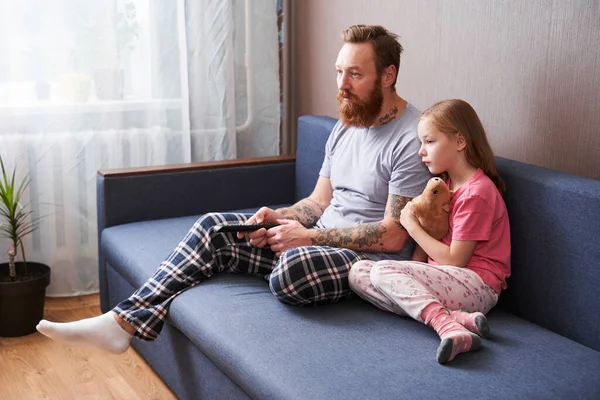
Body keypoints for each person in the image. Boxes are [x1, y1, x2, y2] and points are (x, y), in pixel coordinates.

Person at [36, 24, 430, 354]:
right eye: (338, 71)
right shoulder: (347, 123)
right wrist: (279, 217)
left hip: (364, 262)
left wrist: (306, 238)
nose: (342, 85)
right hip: (316, 241)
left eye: (355, 75)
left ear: (388, 75)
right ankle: (123, 322)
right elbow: (319, 201)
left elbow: (395, 235)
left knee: (290, 271)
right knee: (216, 227)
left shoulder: (411, 139)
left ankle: (270, 259)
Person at [349, 99, 510, 364]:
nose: (421, 151)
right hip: (447, 281)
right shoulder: (444, 186)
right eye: (421, 142)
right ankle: (454, 317)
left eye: (429, 142)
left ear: (459, 141)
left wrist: (411, 226)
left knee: (382, 271)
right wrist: (410, 272)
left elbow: (455, 260)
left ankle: (446, 326)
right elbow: (434, 235)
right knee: (359, 273)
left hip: (477, 285)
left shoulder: (477, 193)